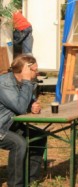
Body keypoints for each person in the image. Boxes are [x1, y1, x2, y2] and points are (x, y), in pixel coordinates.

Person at [0, 54, 47, 186]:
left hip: (9, 125)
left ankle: (30, 179)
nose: (37, 72)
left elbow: (25, 101)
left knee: (39, 136)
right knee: (18, 143)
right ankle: (16, 184)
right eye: (35, 69)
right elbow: (20, 108)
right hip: (1, 127)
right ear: (25, 70)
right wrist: (27, 81)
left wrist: (33, 105)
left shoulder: (22, 82)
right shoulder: (5, 83)